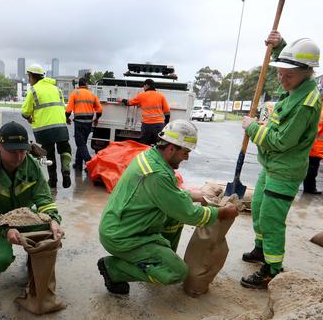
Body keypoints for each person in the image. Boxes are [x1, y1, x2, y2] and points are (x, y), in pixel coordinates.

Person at [97, 120, 240, 294]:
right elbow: (189, 214)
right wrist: (221, 213)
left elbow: (168, 196)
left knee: (173, 217)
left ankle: (159, 257)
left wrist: (197, 196)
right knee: (177, 272)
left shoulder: (151, 157)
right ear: (172, 148)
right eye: (186, 151)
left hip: (123, 224)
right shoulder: (157, 174)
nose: (187, 157)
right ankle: (113, 268)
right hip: (122, 236)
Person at [240, 30, 322, 289]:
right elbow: (287, 70)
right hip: (271, 165)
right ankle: (260, 249)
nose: (282, 79)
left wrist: (251, 127)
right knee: (260, 213)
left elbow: (280, 141)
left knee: (272, 221)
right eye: (279, 73)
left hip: (285, 170)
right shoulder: (295, 88)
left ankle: (272, 269)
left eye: (288, 75)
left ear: (306, 72)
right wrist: (279, 47)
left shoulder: (306, 103)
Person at [0, 121, 64, 276]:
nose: (19, 156)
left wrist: (54, 220)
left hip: (23, 218)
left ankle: (35, 260)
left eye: (22, 151)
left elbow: (44, 200)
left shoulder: (32, 166)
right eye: (12, 151)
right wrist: (5, 230)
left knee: (50, 230)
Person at [22, 64, 72, 189]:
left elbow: (25, 112)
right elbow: (61, 107)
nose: (29, 79)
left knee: (49, 154)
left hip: (44, 129)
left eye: (29, 76)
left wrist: (29, 118)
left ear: (33, 76)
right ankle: (66, 171)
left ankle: (53, 180)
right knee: (65, 149)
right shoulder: (57, 89)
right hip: (60, 125)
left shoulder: (33, 90)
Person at [65, 78, 102, 171]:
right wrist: (96, 119)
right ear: (86, 85)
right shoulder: (92, 94)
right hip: (88, 123)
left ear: (79, 85)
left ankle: (90, 163)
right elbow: (100, 110)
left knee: (80, 144)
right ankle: (78, 164)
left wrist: (67, 118)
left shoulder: (75, 93)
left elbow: (68, 109)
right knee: (82, 143)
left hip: (79, 123)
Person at [120, 78, 170, 145]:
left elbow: (129, 103)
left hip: (147, 125)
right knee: (159, 145)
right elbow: (167, 111)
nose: (143, 87)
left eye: (143, 86)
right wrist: (165, 124)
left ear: (147, 85)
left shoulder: (142, 95)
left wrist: (121, 100)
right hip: (159, 125)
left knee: (144, 144)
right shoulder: (161, 96)